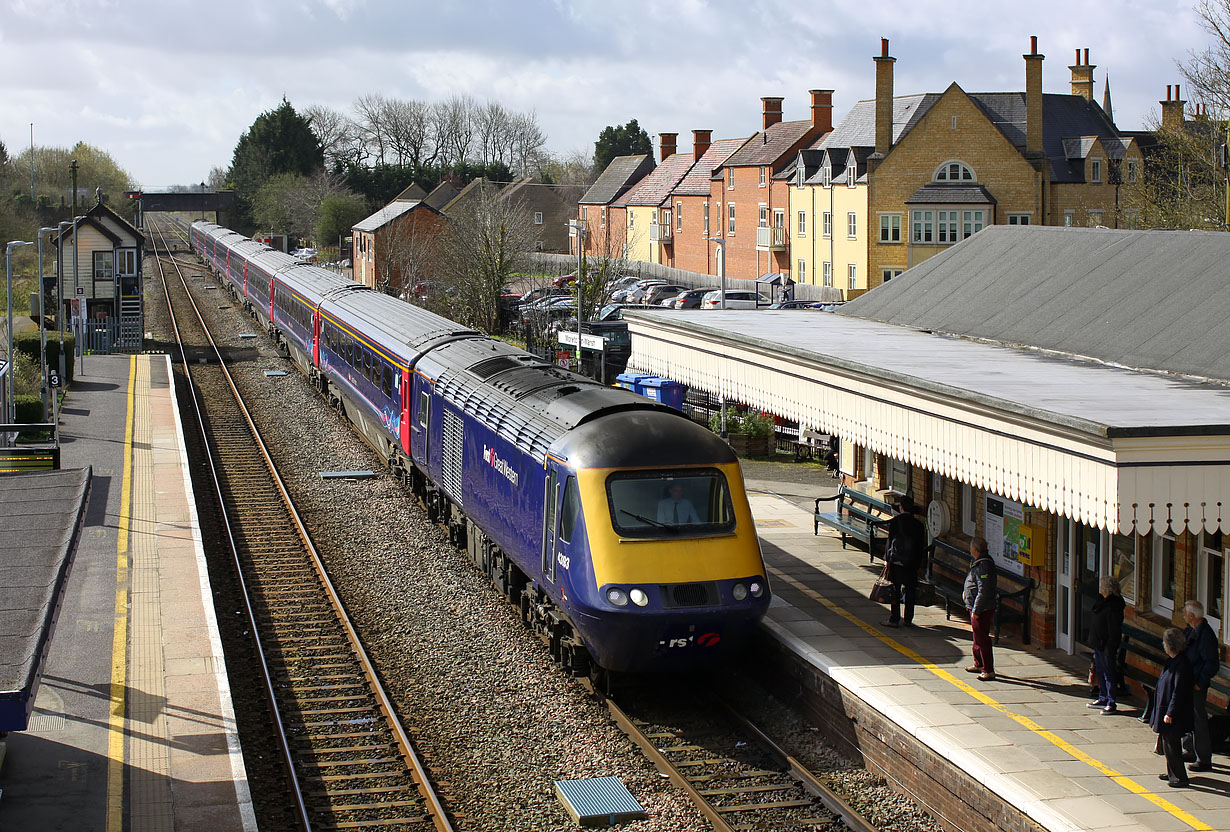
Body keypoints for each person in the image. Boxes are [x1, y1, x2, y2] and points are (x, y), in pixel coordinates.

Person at [877, 496, 927, 628]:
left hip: (896, 562)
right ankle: (908, 620)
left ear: (901, 507)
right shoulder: (919, 525)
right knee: (910, 590)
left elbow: (890, 542)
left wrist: (887, 560)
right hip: (912, 563)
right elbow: (921, 545)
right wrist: (920, 564)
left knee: (895, 589)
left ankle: (894, 619)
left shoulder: (895, 522)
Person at [1153, 627, 1194, 787]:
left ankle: (1179, 777)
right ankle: (1171, 773)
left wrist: (1170, 713)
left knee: (1172, 744)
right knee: (1167, 742)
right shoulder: (1172, 661)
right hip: (1166, 708)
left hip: (1174, 712)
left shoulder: (1182, 665)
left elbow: (1178, 692)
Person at [1182, 600, 1219, 771]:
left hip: (1197, 683)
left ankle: (1204, 759)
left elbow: (1211, 663)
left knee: (1199, 720)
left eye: (1184, 613)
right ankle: (1190, 749)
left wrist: (1200, 683)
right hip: (1188, 681)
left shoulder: (1205, 635)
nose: (1183, 615)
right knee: (1188, 716)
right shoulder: (1191, 630)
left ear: (1191, 616)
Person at [1088, 575, 1126, 714]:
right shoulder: (1102, 601)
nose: (1100, 588)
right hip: (1099, 643)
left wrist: (1110, 646)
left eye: (1102, 586)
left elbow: (1114, 630)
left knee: (1109, 673)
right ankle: (1102, 697)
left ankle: (1111, 701)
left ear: (1108, 589)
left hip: (1107, 646)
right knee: (1101, 671)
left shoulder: (1114, 606)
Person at [963, 536, 997, 681]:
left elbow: (983, 591)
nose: (970, 549)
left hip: (982, 608)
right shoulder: (979, 562)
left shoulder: (984, 566)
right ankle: (978, 663)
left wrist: (976, 611)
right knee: (977, 636)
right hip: (975, 606)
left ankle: (988, 670)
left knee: (982, 638)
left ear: (975, 549)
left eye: (971, 547)